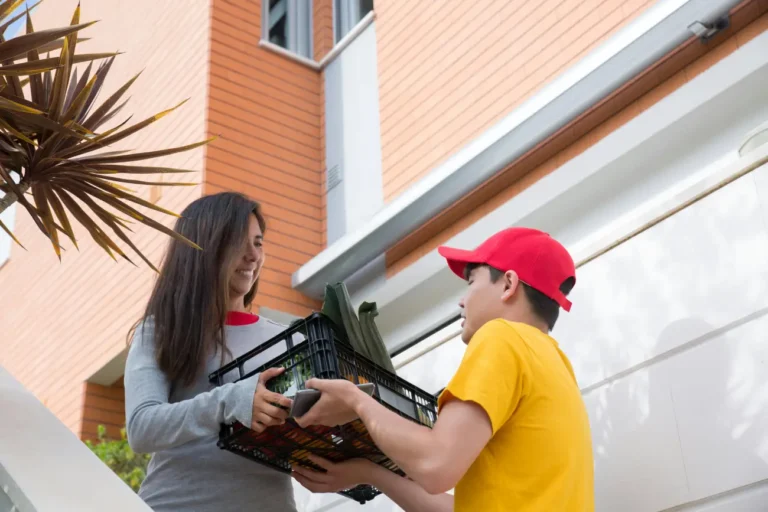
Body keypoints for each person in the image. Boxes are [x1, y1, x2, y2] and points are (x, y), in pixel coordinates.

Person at [293, 227, 595, 511]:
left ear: (508, 284)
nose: (462, 301)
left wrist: (356, 400)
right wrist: (371, 473)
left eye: (471, 282)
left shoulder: (501, 337)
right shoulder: (557, 367)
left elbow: (436, 465)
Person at [124, 192, 297, 512]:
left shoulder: (288, 340)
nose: (252, 255)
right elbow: (142, 427)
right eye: (237, 242)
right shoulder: (160, 329)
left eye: (258, 243)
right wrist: (233, 400)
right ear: (204, 247)